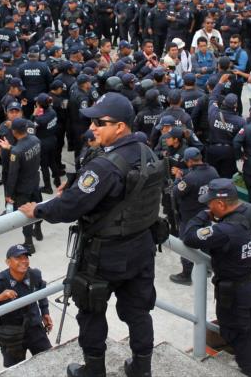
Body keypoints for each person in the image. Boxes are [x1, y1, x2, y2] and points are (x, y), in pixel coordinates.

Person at [19, 93, 162, 377]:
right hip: (141, 247)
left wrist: (38, 210)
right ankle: (142, 368)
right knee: (139, 312)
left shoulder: (105, 166)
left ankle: (94, 370)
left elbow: (70, 207)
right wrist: (74, 183)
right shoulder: (147, 152)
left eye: (100, 122)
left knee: (91, 312)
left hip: (104, 255)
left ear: (120, 127)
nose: (92, 127)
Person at [181, 178, 251, 377]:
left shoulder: (225, 231)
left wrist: (203, 215)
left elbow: (189, 237)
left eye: (209, 204)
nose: (208, 206)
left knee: (235, 331)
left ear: (220, 204)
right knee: (247, 323)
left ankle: (249, 368)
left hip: (237, 294)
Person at [0, 244, 53, 366]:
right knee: (14, 370)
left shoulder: (35, 274)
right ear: (8, 262)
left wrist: (45, 313)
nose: (24, 261)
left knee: (49, 361)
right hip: (11, 335)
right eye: (18, 258)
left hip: (35, 328)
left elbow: (42, 291)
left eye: (26, 257)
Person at [169, 147, 219, 285]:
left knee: (186, 244)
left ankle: (186, 274)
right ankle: (207, 267)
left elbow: (175, 192)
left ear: (190, 161)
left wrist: (178, 179)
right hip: (207, 213)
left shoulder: (190, 178)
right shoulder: (212, 171)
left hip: (189, 216)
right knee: (206, 239)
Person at [4, 118, 44, 253]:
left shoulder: (16, 152)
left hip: (23, 188)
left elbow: (12, 174)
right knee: (37, 207)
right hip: (35, 181)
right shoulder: (36, 140)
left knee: (26, 215)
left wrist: (9, 194)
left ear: (14, 132)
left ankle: (28, 243)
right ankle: (38, 231)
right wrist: (10, 147)